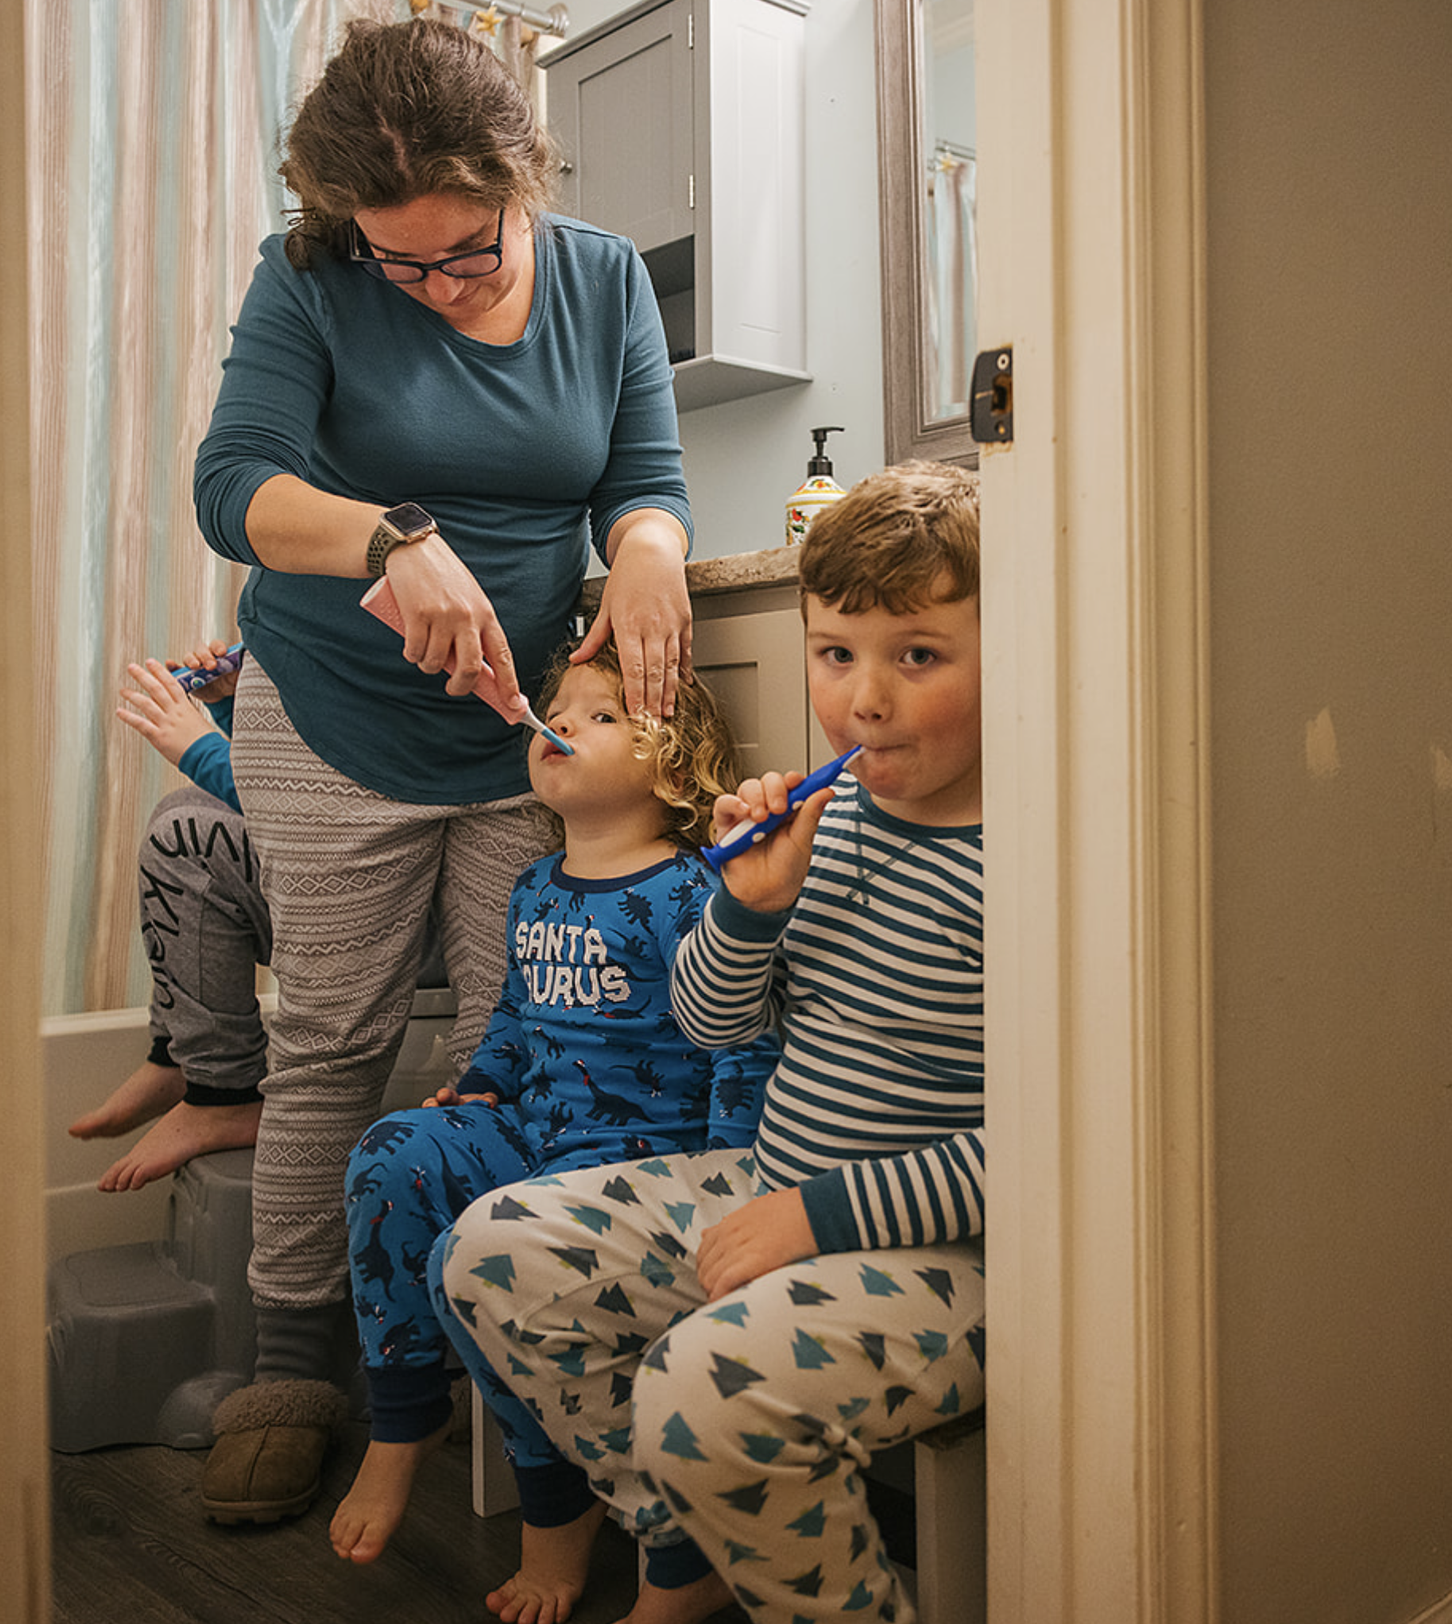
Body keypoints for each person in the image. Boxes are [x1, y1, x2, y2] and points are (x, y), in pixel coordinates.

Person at [188, 16, 698, 1524]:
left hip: (515, 735)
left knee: (508, 1040)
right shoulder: (311, 279)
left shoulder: (601, 277)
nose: (435, 285)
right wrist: (391, 540)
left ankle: (494, 1358)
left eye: (464, 253)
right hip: (331, 709)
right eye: (398, 263)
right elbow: (236, 484)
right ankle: (294, 1363)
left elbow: (644, 481)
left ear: (521, 177)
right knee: (335, 1033)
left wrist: (653, 552)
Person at [437, 462, 986, 1624]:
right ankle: (678, 1528)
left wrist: (820, 1217)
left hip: (962, 1256)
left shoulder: (1026, 856)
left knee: (703, 1389)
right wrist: (747, 906)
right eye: (836, 653)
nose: (865, 699)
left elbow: (1045, 1143)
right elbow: (711, 1021)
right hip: (770, 1182)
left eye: (918, 655)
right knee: (490, 1249)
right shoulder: (831, 826)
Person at [329, 644, 777, 1621]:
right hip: (533, 1135)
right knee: (389, 1155)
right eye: (553, 709)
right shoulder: (534, 887)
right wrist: (483, 1083)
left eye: (597, 714)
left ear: (668, 764)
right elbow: (519, 1019)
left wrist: (737, 1179)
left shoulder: (693, 890)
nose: (557, 723)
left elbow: (740, 1038)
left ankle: (556, 1520)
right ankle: (402, 1418)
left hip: (644, 1170)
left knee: (467, 1261)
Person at [67, 641, 270, 1191]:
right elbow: (304, 779)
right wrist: (230, 706)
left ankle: (226, 1095)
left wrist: (202, 749)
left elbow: (334, 811)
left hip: (406, 908)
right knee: (183, 811)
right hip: (367, 871)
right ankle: (179, 1057)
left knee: (186, 840)